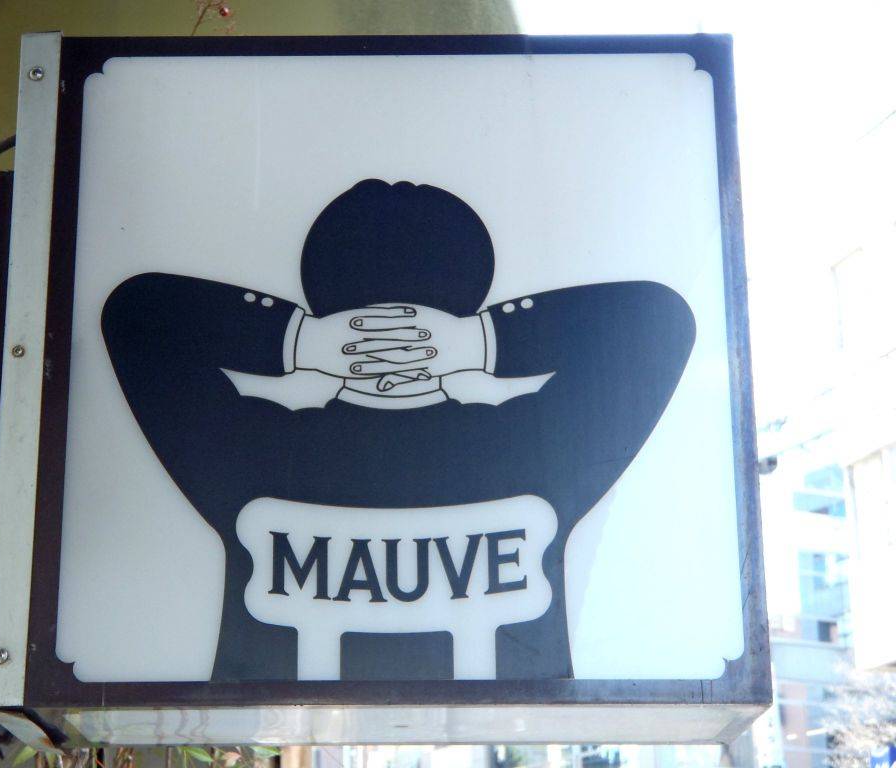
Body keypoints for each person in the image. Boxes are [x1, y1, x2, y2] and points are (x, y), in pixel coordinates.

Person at [101, 179, 696, 681]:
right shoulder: (537, 449)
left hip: (273, 716)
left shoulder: (254, 450)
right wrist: (484, 340)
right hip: (517, 707)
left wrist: (299, 339)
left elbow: (140, 313)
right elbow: (654, 322)